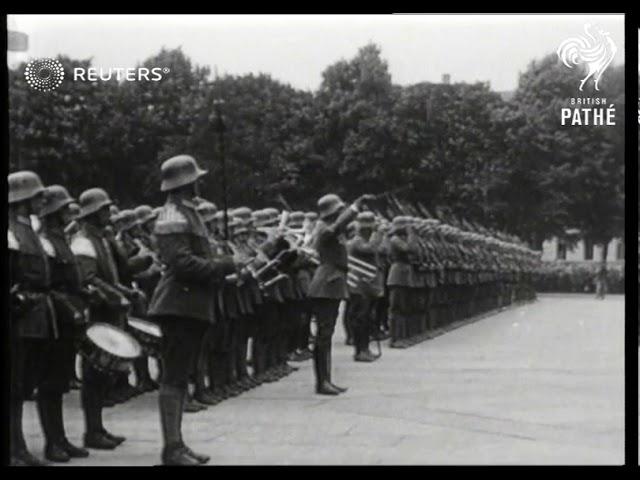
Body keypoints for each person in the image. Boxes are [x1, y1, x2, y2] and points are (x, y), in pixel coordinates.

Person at [147, 154, 238, 466]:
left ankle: (178, 443)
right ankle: (171, 449)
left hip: (191, 305)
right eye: (196, 178)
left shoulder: (188, 212)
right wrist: (223, 266)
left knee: (180, 375)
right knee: (173, 377)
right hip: (178, 304)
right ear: (186, 182)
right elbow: (181, 263)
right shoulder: (173, 214)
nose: (200, 182)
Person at [71, 187, 133, 449]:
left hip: (109, 312)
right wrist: (115, 296)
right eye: (105, 209)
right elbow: (89, 280)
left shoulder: (102, 239)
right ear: (95, 213)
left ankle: (98, 428)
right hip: (96, 314)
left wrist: (124, 291)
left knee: (104, 373)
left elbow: (110, 276)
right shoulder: (84, 241)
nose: (109, 213)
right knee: (94, 372)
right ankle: (92, 431)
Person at [37, 185, 90, 462]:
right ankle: (52, 442)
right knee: (50, 382)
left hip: (69, 316)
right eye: (63, 208)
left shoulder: (61, 239)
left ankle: (61, 439)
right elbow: (50, 286)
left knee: (60, 380)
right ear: (54, 212)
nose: (68, 212)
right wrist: (70, 307)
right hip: (56, 317)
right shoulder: (46, 241)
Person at [307, 193, 375, 395]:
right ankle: (322, 382)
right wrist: (353, 208)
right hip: (326, 284)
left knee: (326, 336)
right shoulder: (323, 228)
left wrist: (357, 211)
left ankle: (326, 379)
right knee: (323, 336)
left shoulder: (332, 228)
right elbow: (335, 228)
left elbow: (341, 227)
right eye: (338, 211)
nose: (341, 214)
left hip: (332, 282)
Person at [9, 171, 55, 466]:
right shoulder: (11, 231)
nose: (42, 201)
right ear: (24, 200)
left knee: (25, 384)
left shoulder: (30, 230)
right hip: (17, 316)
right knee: (13, 385)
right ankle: (15, 447)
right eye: (38, 196)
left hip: (35, 315)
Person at [347, 212, 383, 362]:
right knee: (361, 318)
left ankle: (365, 348)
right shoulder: (356, 241)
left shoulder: (364, 240)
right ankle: (360, 350)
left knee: (367, 318)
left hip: (368, 284)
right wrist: (378, 233)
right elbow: (370, 249)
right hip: (359, 285)